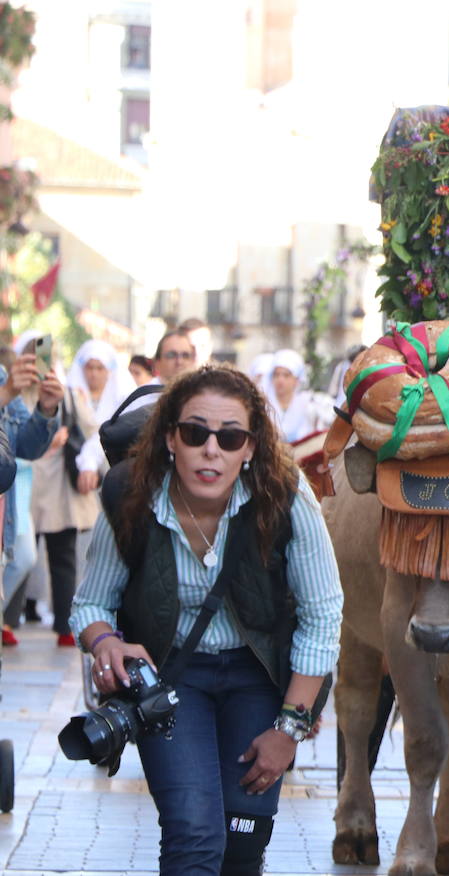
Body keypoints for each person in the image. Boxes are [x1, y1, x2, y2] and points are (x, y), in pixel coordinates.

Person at [70, 365, 343, 875]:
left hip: (259, 676)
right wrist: (105, 642)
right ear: (171, 438)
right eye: (195, 433)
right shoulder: (132, 496)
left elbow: (323, 615)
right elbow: (90, 604)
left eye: (230, 436)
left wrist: (289, 728)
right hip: (172, 680)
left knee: (242, 846)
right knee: (194, 837)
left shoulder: (286, 496)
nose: (211, 450)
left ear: (251, 447)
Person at [31, 340, 128, 646]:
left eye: (100, 367)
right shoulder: (71, 392)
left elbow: (99, 431)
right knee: (37, 553)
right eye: (90, 367)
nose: (95, 373)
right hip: (59, 484)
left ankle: (69, 623)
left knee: (76, 555)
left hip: (103, 487)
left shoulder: (122, 397)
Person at [0, 347, 63, 643]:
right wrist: (5, 394)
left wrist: (46, 409)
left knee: (24, 557)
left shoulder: (2, 377)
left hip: (3, 523)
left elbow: (25, 446)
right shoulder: (5, 385)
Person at [266, 349, 323, 444]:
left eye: (286, 375)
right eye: (276, 375)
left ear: (297, 380)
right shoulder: (264, 405)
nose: (280, 380)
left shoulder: (308, 405)